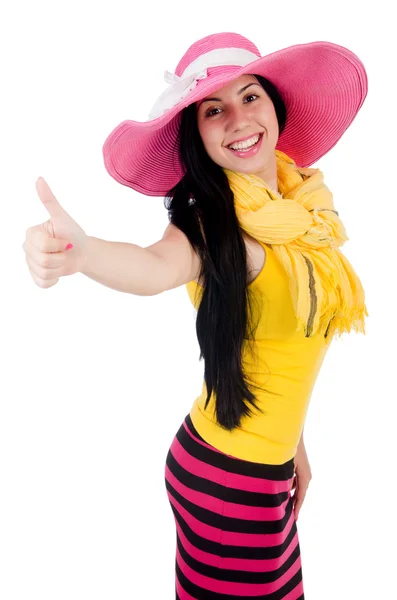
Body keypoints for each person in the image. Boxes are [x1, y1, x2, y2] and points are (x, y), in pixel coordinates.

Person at [23, 32, 369, 599]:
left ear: (275, 108)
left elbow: (276, 352)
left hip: (255, 470)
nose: (238, 119)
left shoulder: (303, 213)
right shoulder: (211, 226)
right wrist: (81, 254)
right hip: (232, 485)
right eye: (214, 109)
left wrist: (295, 448)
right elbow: (152, 266)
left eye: (250, 96)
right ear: (197, 134)